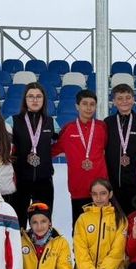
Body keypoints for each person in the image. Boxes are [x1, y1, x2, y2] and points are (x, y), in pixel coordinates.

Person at [52, 89, 109, 225]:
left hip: (100, 189)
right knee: (79, 227)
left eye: (92, 104)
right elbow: (53, 150)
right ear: (77, 106)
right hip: (78, 188)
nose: (88, 108)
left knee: (102, 227)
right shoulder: (68, 129)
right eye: (84, 104)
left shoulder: (102, 127)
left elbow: (109, 149)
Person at [10, 82, 59, 226]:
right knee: (18, 222)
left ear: (44, 100)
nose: (35, 100)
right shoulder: (13, 121)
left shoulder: (51, 122)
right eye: (30, 96)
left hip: (44, 181)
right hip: (20, 180)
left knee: (43, 223)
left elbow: (65, 140)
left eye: (39, 96)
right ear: (25, 100)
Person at [105, 84, 136, 212]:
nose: (124, 101)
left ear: (133, 100)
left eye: (128, 97)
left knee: (133, 217)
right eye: (120, 98)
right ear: (113, 102)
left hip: (134, 183)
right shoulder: (108, 123)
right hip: (112, 183)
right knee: (114, 218)